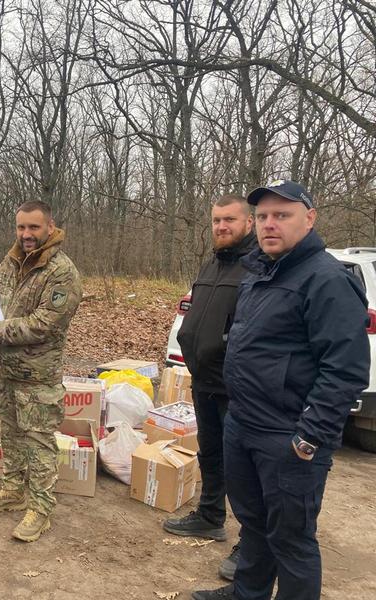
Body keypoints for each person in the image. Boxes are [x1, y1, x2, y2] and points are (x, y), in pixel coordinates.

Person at [191, 180, 370, 600]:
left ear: (309, 219)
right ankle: (247, 593)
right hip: (244, 423)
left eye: (282, 215)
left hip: (288, 435)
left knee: (291, 538)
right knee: (254, 524)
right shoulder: (259, 272)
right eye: (263, 216)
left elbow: (345, 370)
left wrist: (309, 437)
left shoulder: (326, 279)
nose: (269, 224)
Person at [0, 200, 82, 542]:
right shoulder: (12, 261)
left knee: (39, 443)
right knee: (11, 436)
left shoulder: (61, 272)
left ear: (50, 227)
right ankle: (13, 491)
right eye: (21, 227)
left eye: (34, 227)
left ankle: (40, 509)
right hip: (7, 372)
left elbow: (42, 325)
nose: (26, 234)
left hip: (38, 377)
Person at [165, 195, 256, 580]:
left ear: (248, 223)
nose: (221, 226)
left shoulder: (258, 267)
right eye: (217, 220)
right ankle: (209, 515)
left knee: (244, 468)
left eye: (230, 220)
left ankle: (250, 543)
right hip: (204, 380)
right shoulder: (213, 263)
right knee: (211, 453)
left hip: (236, 385)